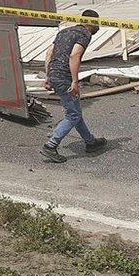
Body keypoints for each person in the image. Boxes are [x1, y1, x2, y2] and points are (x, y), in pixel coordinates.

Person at [41, 9, 107, 163]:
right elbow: (74, 55)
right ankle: (50, 146)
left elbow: (49, 54)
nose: (98, 27)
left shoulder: (64, 32)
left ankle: (90, 142)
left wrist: (49, 76)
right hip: (65, 76)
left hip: (55, 74)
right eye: (97, 23)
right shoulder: (85, 34)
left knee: (75, 112)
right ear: (92, 22)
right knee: (73, 115)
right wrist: (75, 81)